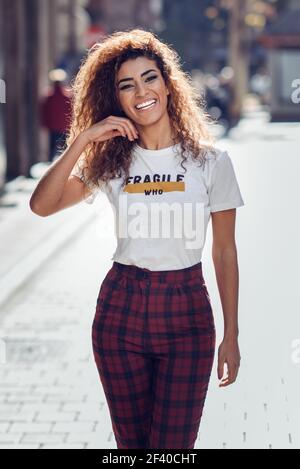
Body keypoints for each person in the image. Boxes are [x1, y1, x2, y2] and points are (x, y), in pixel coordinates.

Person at [29, 29, 245, 449]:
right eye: (127, 85)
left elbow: (224, 251)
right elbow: (42, 205)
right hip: (121, 312)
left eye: (149, 78)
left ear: (167, 85)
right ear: (117, 99)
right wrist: (84, 140)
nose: (141, 91)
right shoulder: (111, 162)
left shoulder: (210, 163)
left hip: (187, 315)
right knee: (133, 449)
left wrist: (231, 334)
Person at [40, 69, 72, 161]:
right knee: (65, 149)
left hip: (54, 126)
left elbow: (44, 112)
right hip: (63, 126)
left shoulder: (48, 96)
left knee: (53, 148)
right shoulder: (67, 95)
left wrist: (45, 124)